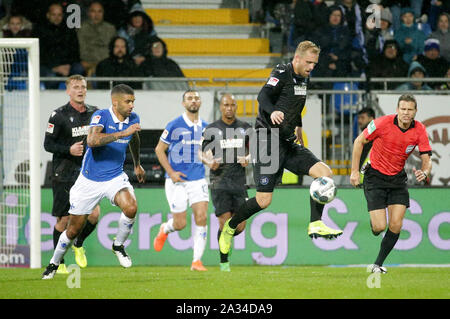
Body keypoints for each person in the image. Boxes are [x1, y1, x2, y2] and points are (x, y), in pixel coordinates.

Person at [219, 41, 343, 257]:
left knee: (324, 173)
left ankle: (315, 223)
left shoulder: (305, 77)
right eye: (308, 62)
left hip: (288, 141)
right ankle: (230, 227)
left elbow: (297, 109)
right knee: (263, 201)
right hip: (267, 141)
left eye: (314, 63)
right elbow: (263, 96)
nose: (311, 67)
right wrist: (273, 111)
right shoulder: (282, 72)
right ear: (297, 58)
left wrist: (299, 133)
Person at [42, 84, 146, 279]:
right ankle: (54, 264)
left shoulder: (133, 118)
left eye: (133, 101)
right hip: (89, 180)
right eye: (128, 101)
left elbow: (134, 139)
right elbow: (91, 140)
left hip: (115, 177)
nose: (132, 105)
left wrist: (137, 163)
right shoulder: (101, 116)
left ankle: (118, 245)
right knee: (72, 230)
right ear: (115, 102)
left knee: (131, 208)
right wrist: (122, 133)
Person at [350, 94, 432, 273]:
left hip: (397, 179)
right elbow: (359, 141)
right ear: (397, 110)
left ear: (415, 112)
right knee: (379, 227)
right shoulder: (382, 123)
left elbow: (427, 158)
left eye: (410, 110)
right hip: (375, 177)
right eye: (403, 109)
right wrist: (355, 171)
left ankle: (377, 264)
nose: (406, 113)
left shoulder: (419, 130)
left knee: (396, 224)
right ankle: (375, 225)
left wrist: (425, 172)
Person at [44, 75, 101, 274]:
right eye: (76, 87)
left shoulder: (95, 113)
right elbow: (48, 145)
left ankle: (78, 244)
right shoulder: (58, 115)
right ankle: (58, 262)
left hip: (87, 174)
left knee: (93, 215)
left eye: (83, 87)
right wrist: (69, 149)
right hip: (64, 173)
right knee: (64, 220)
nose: (80, 90)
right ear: (68, 90)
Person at [153, 89, 209, 272]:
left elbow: (206, 153)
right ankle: (165, 229)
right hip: (176, 180)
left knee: (201, 217)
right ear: (184, 103)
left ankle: (196, 261)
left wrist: (211, 161)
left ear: (200, 102)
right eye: (190, 98)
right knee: (180, 224)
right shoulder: (174, 124)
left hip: (198, 179)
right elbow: (159, 149)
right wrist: (171, 172)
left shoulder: (207, 128)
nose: (194, 101)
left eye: (196, 98)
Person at [200, 94, 251, 272]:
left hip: (239, 181)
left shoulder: (245, 128)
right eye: (226, 105)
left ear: (236, 107)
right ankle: (224, 261)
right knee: (224, 222)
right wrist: (209, 161)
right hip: (219, 181)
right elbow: (202, 152)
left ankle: (225, 243)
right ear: (221, 107)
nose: (229, 108)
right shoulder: (212, 128)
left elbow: (257, 151)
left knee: (239, 226)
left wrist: (248, 158)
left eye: (232, 105)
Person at [32, 3, 84, 88]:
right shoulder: (38, 31)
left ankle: (75, 98)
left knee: (79, 69)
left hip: (67, 65)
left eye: (59, 15)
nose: (57, 17)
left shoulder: (69, 30)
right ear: (48, 15)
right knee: (51, 78)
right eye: (54, 15)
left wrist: (68, 65)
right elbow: (39, 54)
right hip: (47, 66)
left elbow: (75, 52)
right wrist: (55, 67)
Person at [311, 6, 353, 82]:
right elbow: (314, 51)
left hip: (341, 67)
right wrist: (327, 61)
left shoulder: (346, 32)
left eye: (338, 15)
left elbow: (349, 51)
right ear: (328, 15)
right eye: (333, 15)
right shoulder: (319, 31)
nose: (335, 17)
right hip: (322, 67)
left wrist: (338, 59)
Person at [77, 1, 117, 77]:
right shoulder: (81, 28)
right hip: (87, 61)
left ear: (103, 13)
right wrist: (88, 63)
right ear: (88, 13)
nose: (96, 15)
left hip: (106, 63)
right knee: (78, 69)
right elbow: (81, 48)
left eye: (99, 11)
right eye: (93, 11)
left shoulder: (111, 29)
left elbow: (113, 49)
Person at [356, 107, 375, 183]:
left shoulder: (375, 138)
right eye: (359, 118)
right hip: (364, 182)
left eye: (363, 118)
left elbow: (369, 161)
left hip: (371, 182)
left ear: (371, 119)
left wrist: (362, 174)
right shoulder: (362, 137)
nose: (359, 121)